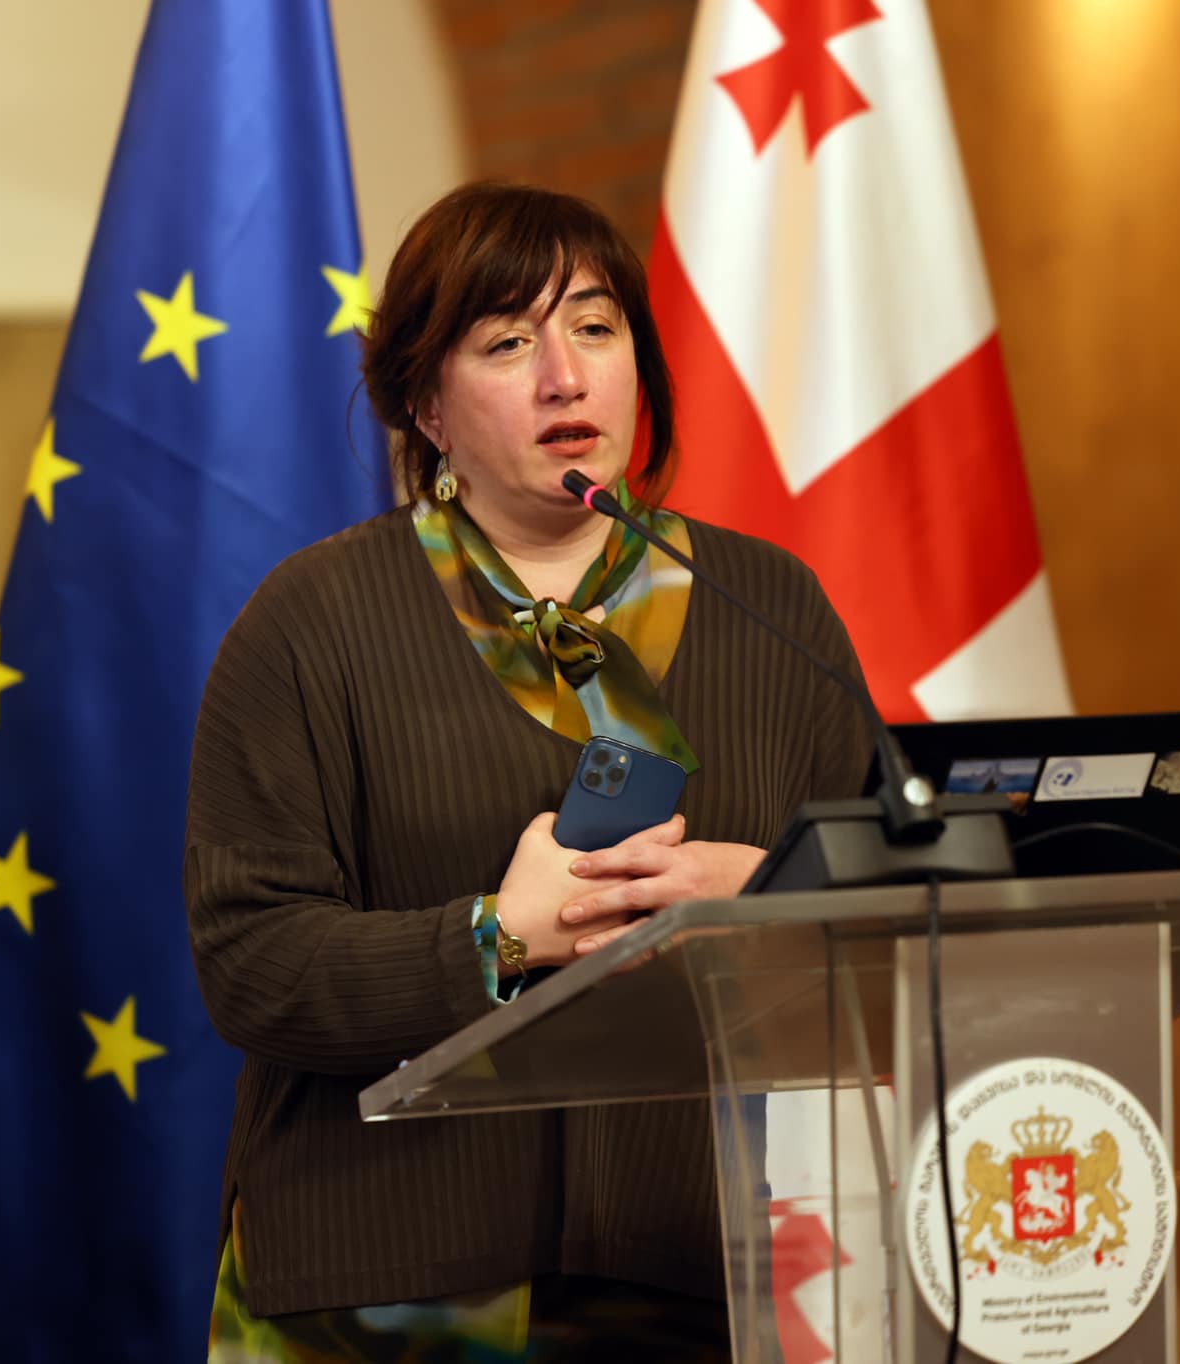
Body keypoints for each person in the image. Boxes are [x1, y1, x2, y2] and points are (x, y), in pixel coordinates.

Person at [187, 181, 873, 1361]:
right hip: (386, 1290)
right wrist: (496, 938)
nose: (565, 375)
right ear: (426, 405)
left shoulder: (769, 607)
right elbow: (251, 964)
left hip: (694, 1279)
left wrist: (769, 899)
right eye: (507, 342)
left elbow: (889, 910)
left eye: (594, 327)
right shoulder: (313, 622)